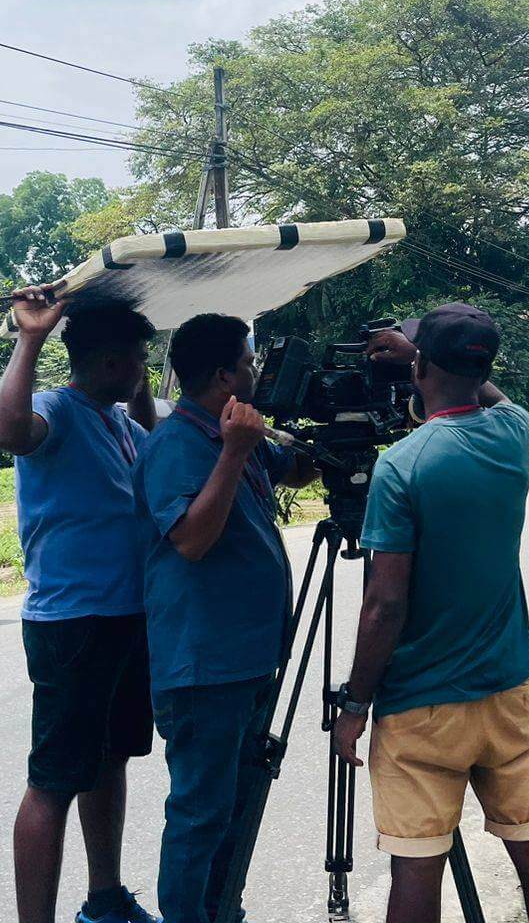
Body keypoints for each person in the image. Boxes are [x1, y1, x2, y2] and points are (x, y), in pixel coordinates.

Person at [330, 303, 529, 923]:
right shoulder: (516, 433)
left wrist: (355, 706)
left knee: (416, 865)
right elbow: (490, 394)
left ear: (421, 369)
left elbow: (385, 604)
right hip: (509, 690)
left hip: (421, 708)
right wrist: (427, 354)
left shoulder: (402, 464)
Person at [132, 313, 317, 923]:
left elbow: (300, 467)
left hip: (246, 659)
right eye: (248, 363)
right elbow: (191, 539)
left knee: (235, 802)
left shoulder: (233, 433)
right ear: (220, 375)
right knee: (200, 810)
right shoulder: (176, 444)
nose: (256, 371)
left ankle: (221, 911)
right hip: (203, 665)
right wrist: (236, 452)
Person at [0, 287, 160, 923]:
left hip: (126, 618)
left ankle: (105, 898)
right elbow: (3, 431)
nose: (145, 368)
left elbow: (154, 429)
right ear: (114, 363)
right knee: (55, 780)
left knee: (109, 760)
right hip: (74, 624)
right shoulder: (54, 409)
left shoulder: (118, 418)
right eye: (140, 358)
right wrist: (30, 338)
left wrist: (140, 374)